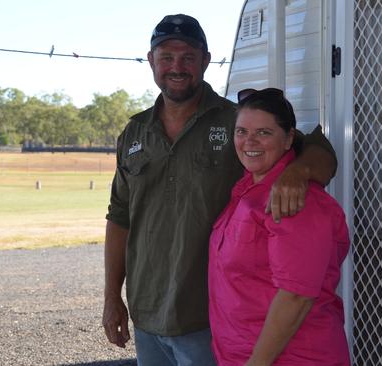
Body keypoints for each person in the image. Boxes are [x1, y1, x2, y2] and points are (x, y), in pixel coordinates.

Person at [102, 14, 337, 365]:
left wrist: (299, 172)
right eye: (166, 57)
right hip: (147, 314)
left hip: (209, 318)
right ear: (151, 61)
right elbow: (119, 217)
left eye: (188, 57)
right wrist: (111, 297)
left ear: (206, 61)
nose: (177, 67)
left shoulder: (238, 123)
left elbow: (322, 151)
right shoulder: (135, 132)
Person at [208, 88, 350, 365]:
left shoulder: (295, 198)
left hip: (290, 356)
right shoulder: (248, 189)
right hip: (241, 352)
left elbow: (296, 296)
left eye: (264, 132)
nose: (249, 141)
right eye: (241, 131)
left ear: (288, 139)